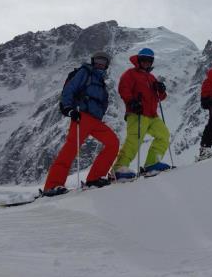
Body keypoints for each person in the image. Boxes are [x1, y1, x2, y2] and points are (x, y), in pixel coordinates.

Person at [43, 51, 119, 196]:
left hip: (95, 121)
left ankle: (95, 178)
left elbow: (103, 102)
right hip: (81, 116)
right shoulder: (85, 72)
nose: (100, 64)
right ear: (92, 61)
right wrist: (68, 108)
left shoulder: (101, 82)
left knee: (113, 143)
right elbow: (69, 89)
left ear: (106, 65)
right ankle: (52, 186)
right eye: (97, 61)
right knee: (70, 149)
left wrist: (100, 114)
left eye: (103, 62)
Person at [112, 48, 170, 179]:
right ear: (138, 60)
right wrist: (131, 101)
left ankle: (152, 164)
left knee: (163, 135)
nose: (146, 62)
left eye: (149, 60)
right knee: (134, 140)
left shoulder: (151, 77)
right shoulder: (130, 74)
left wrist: (161, 90)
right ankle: (118, 168)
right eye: (144, 60)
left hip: (152, 115)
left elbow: (160, 97)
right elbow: (123, 88)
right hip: (137, 113)